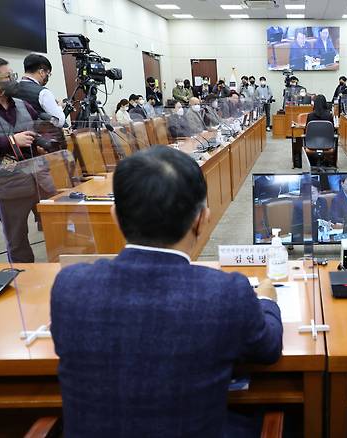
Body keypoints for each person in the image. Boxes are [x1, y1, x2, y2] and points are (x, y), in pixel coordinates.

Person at [51, 146, 283, 437]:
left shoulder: (70, 286)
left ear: (115, 216)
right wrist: (266, 298)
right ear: (202, 218)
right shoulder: (226, 293)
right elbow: (268, 348)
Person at [0, 56, 55, 262]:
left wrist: (43, 140)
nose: (14, 80)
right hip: (7, 186)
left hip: (38, 180)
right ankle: (25, 283)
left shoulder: (23, 105)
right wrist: (11, 141)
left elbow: (35, 129)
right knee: (17, 240)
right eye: (9, 76)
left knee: (57, 224)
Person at [14, 54, 65, 127]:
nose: (48, 77)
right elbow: (59, 121)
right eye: (48, 74)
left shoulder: (13, 89)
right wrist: (59, 107)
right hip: (40, 135)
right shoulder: (43, 93)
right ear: (41, 72)